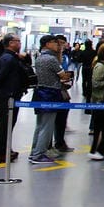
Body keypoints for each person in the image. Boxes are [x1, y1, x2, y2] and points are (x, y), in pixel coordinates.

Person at [0, 34, 30, 162]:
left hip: (13, 95)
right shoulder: (7, 59)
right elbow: (0, 77)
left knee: (9, 125)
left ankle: (3, 149)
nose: (20, 44)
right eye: (18, 41)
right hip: (6, 96)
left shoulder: (13, 57)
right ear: (11, 43)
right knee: (3, 125)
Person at [29, 35, 71, 164]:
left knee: (40, 125)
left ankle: (34, 151)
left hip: (40, 92)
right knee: (47, 126)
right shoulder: (52, 59)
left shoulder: (40, 58)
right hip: (51, 93)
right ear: (47, 44)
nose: (57, 45)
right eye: (54, 42)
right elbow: (62, 75)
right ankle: (38, 154)